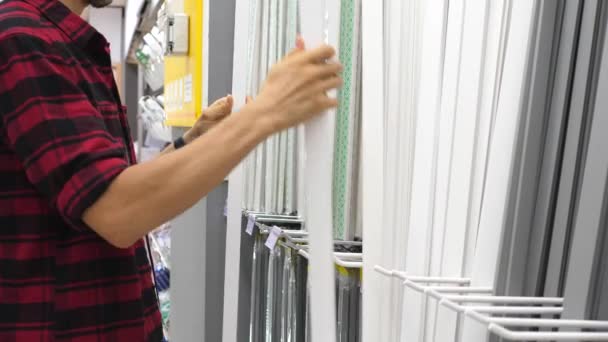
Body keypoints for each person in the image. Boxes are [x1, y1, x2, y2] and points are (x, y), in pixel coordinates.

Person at [0, 0, 342, 340]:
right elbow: (116, 211)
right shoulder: (22, 38)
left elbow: (104, 185)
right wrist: (266, 114)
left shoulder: (61, 41)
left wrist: (193, 142)